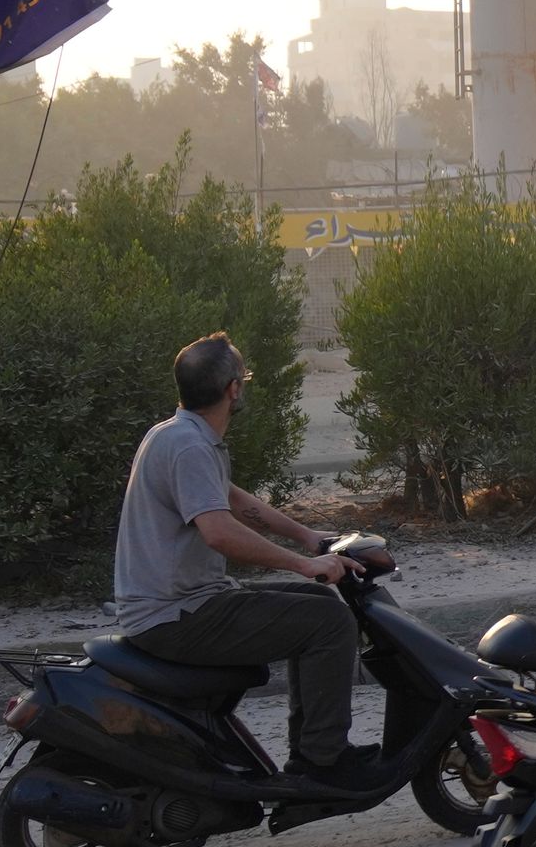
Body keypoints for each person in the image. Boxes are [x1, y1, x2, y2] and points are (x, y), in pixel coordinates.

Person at [113, 331, 396, 794]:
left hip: (180, 604)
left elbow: (230, 498)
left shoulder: (176, 435)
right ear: (233, 390)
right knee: (327, 622)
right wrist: (303, 565)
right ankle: (323, 761)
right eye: (242, 377)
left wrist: (308, 538)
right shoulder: (189, 446)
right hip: (176, 615)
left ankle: (311, 753)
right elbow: (219, 532)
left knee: (315, 604)